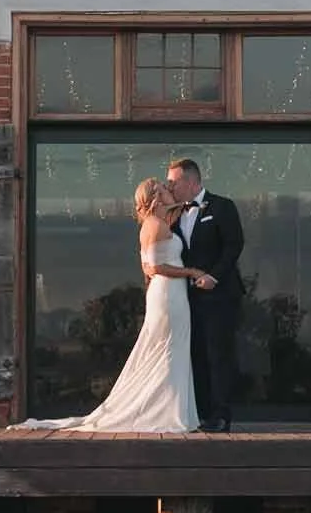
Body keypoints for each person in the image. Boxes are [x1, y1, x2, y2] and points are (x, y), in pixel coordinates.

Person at [15, 177, 204, 433]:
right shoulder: (154, 225)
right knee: (167, 351)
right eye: (163, 189)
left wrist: (182, 201)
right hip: (168, 293)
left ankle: (173, 409)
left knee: (172, 349)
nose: (169, 191)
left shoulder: (161, 222)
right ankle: (164, 412)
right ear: (156, 198)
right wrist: (192, 272)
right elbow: (153, 267)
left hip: (172, 293)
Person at [167, 157, 246, 432]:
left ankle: (221, 414)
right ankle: (199, 413)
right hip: (187, 298)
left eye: (173, 182)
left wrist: (214, 276)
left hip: (220, 295)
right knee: (195, 354)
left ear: (190, 181)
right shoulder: (174, 215)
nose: (170, 187)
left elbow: (234, 245)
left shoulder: (223, 207)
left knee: (218, 354)